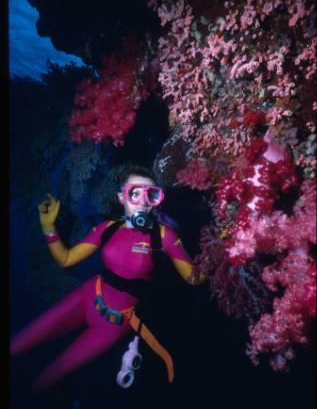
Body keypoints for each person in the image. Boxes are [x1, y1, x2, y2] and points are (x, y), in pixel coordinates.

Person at [11, 163, 206, 393]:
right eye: (135, 193)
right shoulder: (108, 228)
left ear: (157, 201)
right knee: (15, 346)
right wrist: (48, 227)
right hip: (84, 298)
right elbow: (66, 259)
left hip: (113, 325)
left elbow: (194, 279)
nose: (143, 201)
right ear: (121, 198)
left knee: (45, 381)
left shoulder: (165, 236)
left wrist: (219, 256)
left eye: (151, 195)